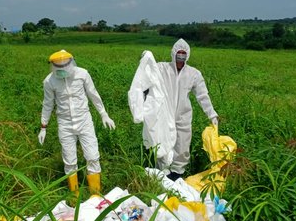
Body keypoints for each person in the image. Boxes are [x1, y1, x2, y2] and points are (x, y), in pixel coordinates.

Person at [130, 39, 218, 181]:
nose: (181, 56)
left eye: (184, 53)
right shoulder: (162, 68)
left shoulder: (193, 74)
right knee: (162, 141)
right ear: (173, 53)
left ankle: (177, 173)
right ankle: (162, 172)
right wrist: (145, 57)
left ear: (187, 55)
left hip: (183, 116)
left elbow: (202, 95)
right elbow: (147, 73)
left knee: (182, 145)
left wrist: (212, 114)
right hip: (164, 115)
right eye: (179, 53)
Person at [38, 50, 115, 197]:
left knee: (92, 156)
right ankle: (74, 197)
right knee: (69, 160)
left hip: (84, 120)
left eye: (63, 67)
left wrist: (104, 114)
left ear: (71, 63)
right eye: (57, 68)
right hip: (65, 123)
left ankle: (95, 195)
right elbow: (47, 104)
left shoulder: (82, 74)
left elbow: (93, 94)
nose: (61, 71)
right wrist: (43, 126)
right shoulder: (49, 81)